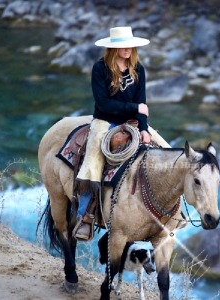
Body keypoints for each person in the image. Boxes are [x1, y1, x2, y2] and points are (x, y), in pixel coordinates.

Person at [73, 26, 170, 241]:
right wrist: (134, 109)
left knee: (167, 150)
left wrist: (144, 128)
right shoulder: (100, 69)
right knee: (93, 160)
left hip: (133, 122)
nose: (127, 49)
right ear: (113, 48)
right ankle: (85, 217)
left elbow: (141, 102)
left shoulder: (139, 69)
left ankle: (171, 212)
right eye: (121, 46)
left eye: (129, 45)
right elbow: (104, 103)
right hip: (104, 120)